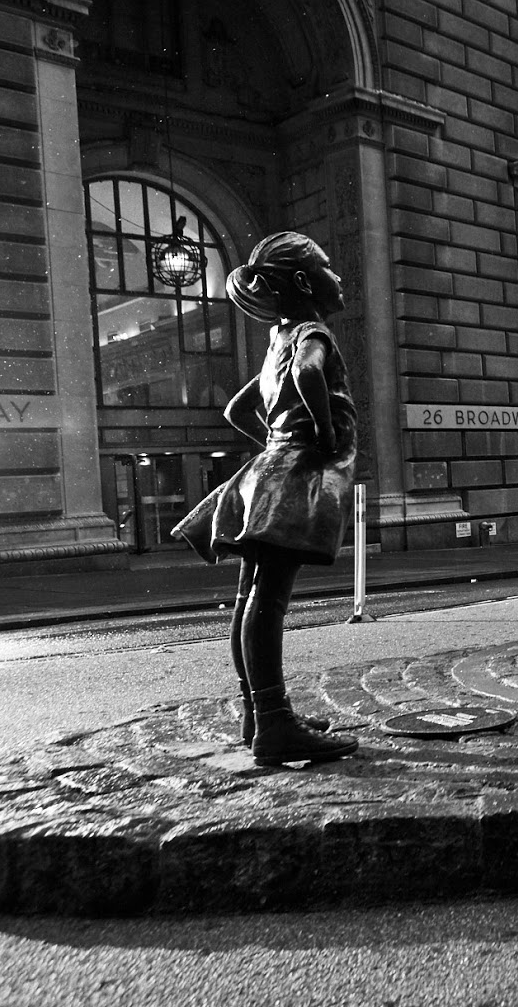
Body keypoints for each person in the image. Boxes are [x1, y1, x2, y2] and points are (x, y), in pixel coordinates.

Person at [172, 231, 359, 768]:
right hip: (292, 476)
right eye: (327, 267)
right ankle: (275, 725)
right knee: (269, 599)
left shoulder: (279, 337)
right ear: (303, 281)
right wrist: (322, 434)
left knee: (249, 597)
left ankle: (256, 714)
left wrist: (274, 445)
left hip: (269, 471)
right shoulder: (312, 333)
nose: (337, 277)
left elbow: (237, 410)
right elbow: (307, 373)